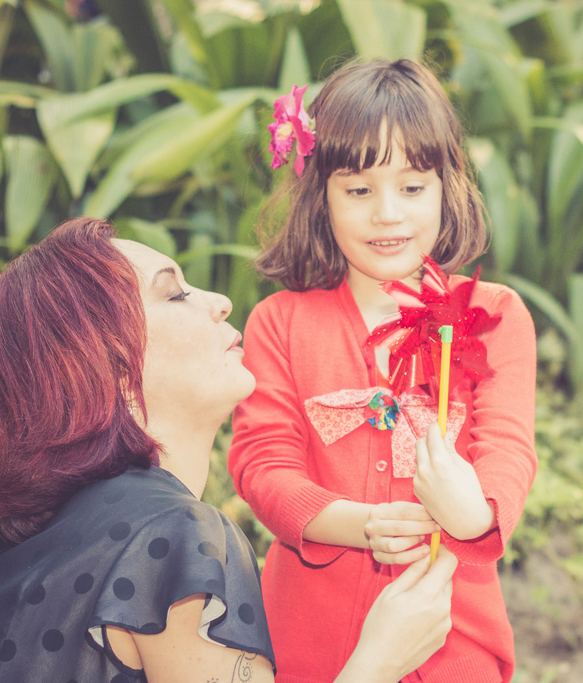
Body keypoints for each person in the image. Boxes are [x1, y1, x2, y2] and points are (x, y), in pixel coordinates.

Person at [0, 218, 457, 683]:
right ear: (108, 363)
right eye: (175, 294)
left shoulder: (48, 542)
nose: (220, 302)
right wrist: (383, 657)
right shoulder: (172, 536)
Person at [228, 59, 537, 683]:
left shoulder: (494, 314)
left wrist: (474, 515)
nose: (388, 214)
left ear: (448, 186)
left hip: (455, 637)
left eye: (413, 187)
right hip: (307, 643)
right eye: (359, 189)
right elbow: (263, 466)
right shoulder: (278, 323)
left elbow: (507, 449)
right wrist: (359, 525)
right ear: (322, 195)